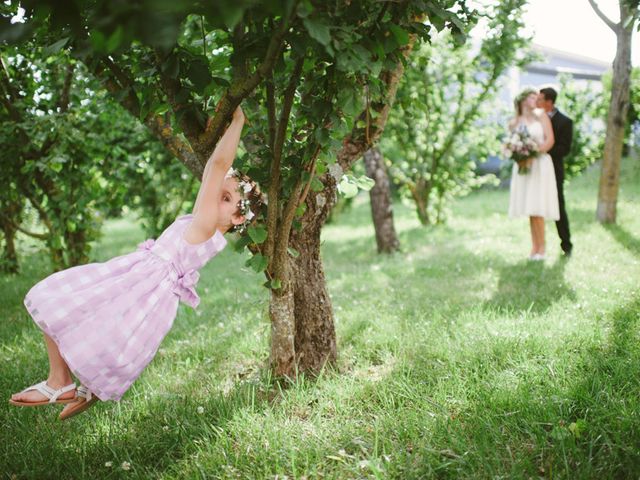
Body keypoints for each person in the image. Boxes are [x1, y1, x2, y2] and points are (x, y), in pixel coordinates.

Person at [9, 106, 263, 420]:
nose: (214, 196)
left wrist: (237, 120)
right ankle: (80, 386)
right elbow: (215, 165)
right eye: (219, 193)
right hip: (142, 282)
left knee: (69, 306)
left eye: (225, 198)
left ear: (238, 217)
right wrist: (226, 144)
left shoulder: (206, 226)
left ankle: (60, 382)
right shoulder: (206, 220)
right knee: (88, 318)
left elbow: (218, 166)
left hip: (144, 285)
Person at [508, 88, 559, 261]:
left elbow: (550, 140)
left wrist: (533, 154)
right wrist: (519, 156)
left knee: (538, 207)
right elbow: (509, 145)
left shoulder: (541, 116)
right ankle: (534, 247)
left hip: (539, 166)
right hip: (524, 168)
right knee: (530, 208)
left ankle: (542, 248)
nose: (535, 100)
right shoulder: (515, 122)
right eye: (531, 97)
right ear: (523, 100)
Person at [537, 86, 574, 257]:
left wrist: (542, 150)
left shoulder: (565, 122)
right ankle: (538, 246)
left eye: (540, 99)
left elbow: (565, 149)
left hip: (554, 170)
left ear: (549, 102)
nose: (537, 102)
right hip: (536, 170)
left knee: (559, 206)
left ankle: (566, 244)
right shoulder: (534, 119)